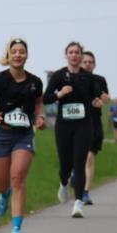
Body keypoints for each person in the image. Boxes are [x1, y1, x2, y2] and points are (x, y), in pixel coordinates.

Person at [0, 37, 46, 233]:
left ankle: (16, 229)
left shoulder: (35, 82)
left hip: (23, 135)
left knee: (18, 179)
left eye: (21, 51)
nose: (18, 54)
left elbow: (39, 103)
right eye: (14, 51)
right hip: (0, 134)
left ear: (27, 55)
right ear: (8, 55)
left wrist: (40, 117)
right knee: (2, 184)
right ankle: (4, 194)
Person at [44, 42, 99, 218]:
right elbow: (46, 98)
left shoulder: (88, 77)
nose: (74, 55)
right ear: (66, 55)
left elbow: (94, 98)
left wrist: (97, 101)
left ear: (81, 56)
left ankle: (78, 203)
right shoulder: (59, 75)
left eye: (77, 52)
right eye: (71, 52)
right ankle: (63, 183)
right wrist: (59, 94)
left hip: (84, 124)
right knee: (65, 165)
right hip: (64, 125)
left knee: (79, 163)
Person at [80, 51, 109, 205]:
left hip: (94, 122)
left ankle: (85, 192)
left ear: (95, 64)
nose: (87, 64)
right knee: (78, 157)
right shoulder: (74, 79)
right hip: (77, 122)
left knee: (90, 157)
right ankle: (74, 175)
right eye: (85, 62)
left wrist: (105, 99)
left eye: (90, 62)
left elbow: (106, 97)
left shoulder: (100, 80)